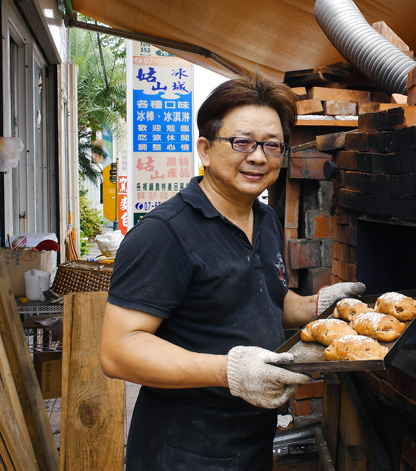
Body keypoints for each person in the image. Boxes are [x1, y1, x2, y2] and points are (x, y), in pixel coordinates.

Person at [100, 75, 364, 470]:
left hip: (253, 439)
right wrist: (230, 370)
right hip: (184, 448)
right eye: (242, 142)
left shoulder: (266, 220)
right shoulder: (165, 233)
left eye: (272, 145)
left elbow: (268, 301)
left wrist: (316, 307)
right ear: (205, 149)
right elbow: (118, 351)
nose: (259, 156)